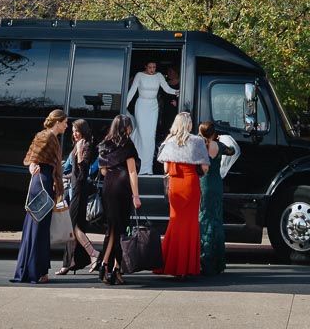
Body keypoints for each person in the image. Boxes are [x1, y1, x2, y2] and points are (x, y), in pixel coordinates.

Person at [11, 109, 68, 283]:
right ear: (57, 122)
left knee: (38, 229)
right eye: (65, 122)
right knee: (37, 230)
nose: (67, 125)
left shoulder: (49, 137)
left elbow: (33, 157)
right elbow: (32, 158)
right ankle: (34, 272)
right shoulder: (47, 136)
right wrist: (32, 167)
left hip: (44, 183)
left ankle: (36, 271)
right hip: (42, 185)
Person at [155, 112, 210, 279]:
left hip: (175, 185)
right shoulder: (198, 141)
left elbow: (165, 169)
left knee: (175, 220)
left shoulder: (169, 142)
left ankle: (170, 263)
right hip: (191, 184)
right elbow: (205, 168)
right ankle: (188, 266)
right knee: (191, 223)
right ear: (189, 124)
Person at [96, 115, 142, 285]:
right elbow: (132, 172)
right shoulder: (127, 145)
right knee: (121, 229)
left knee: (112, 228)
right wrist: (136, 195)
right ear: (126, 128)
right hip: (122, 187)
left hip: (108, 186)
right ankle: (115, 269)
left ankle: (105, 264)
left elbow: (103, 171)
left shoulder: (104, 144)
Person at [56, 118, 101, 275]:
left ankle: (93, 253)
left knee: (72, 226)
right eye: (73, 131)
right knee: (75, 226)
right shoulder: (78, 145)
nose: (74, 134)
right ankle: (71, 261)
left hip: (79, 190)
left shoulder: (85, 145)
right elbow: (74, 171)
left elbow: (83, 172)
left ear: (83, 131)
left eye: (77, 131)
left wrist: (81, 154)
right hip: (75, 188)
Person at [125, 61, 178, 175]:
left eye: (154, 67)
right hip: (141, 105)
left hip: (153, 106)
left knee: (151, 135)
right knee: (142, 133)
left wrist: (177, 92)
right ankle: (139, 163)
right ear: (146, 66)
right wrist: (124, 104)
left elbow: (167, 88)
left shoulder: (158, 76)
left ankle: (148, 167)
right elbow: (133, 91)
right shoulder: (139, 75)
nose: (152, 69)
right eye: (150, 67)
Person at [197, 121, 234, 276]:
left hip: (203, 184)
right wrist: (219, 139)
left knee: (203, 219)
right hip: (216, 184)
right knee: (217, 220)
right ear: (213, 133)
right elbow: (231, 151)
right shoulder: (218, 146)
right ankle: (218, 260)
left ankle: (203, 260)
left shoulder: (199, 146)